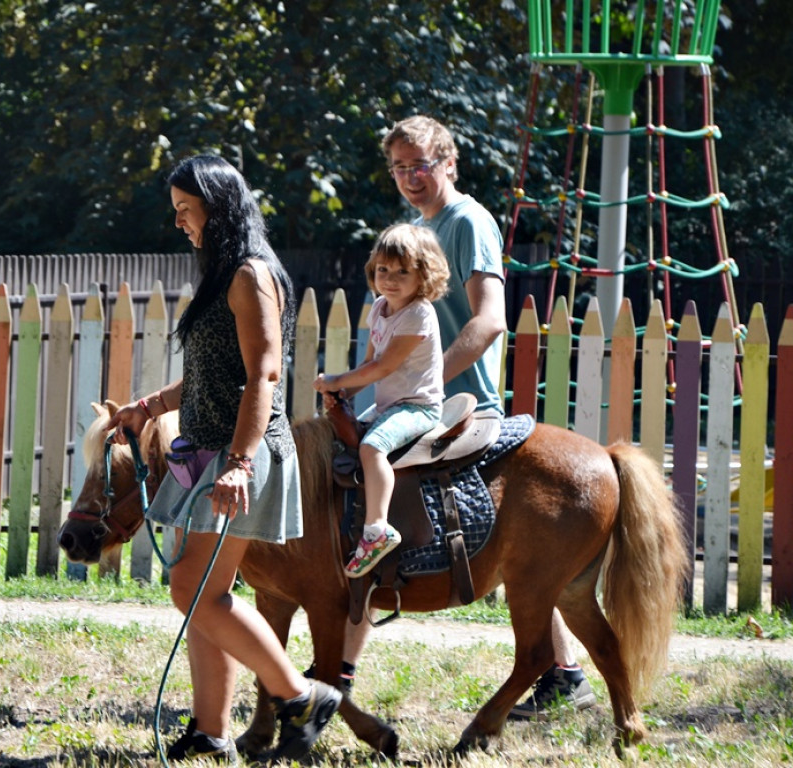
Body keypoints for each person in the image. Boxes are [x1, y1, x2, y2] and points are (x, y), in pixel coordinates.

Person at [338, 115, 596, 718]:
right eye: (399, 167)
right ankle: (564, 673)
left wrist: (424, 384)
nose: (408, 177)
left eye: (420, 164)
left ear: (450, 163)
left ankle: (338, 669)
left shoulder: (468, 221)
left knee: (375, 517)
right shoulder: (419, 229)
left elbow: (488, 320)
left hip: (455, 404)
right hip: (413, 399)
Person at [107, 155, 341, 764]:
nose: (180, 222)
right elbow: (213, 373)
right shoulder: (222, 274)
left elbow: (265, 373)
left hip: (239, 453)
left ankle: (301, 696)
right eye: (177, 211)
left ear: (219, 206)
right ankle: (210, 733)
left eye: (187, 209)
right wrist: (151, 406)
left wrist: (239, 462)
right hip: (207, 450)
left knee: (193, 590)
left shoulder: (250, 274)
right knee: (202, 593)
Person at [313, 223, 449, 578]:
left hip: (418, 405)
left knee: (372, 448)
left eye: (403, 271)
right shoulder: (379, 308)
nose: (390, 279)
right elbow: (368, 366)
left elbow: (384, 365)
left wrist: (336, 380)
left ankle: (377, 528)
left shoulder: (419, 313)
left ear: (424, 275)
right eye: (383, 269)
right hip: (392, 403)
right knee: (341, 438)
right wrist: (343, 394)